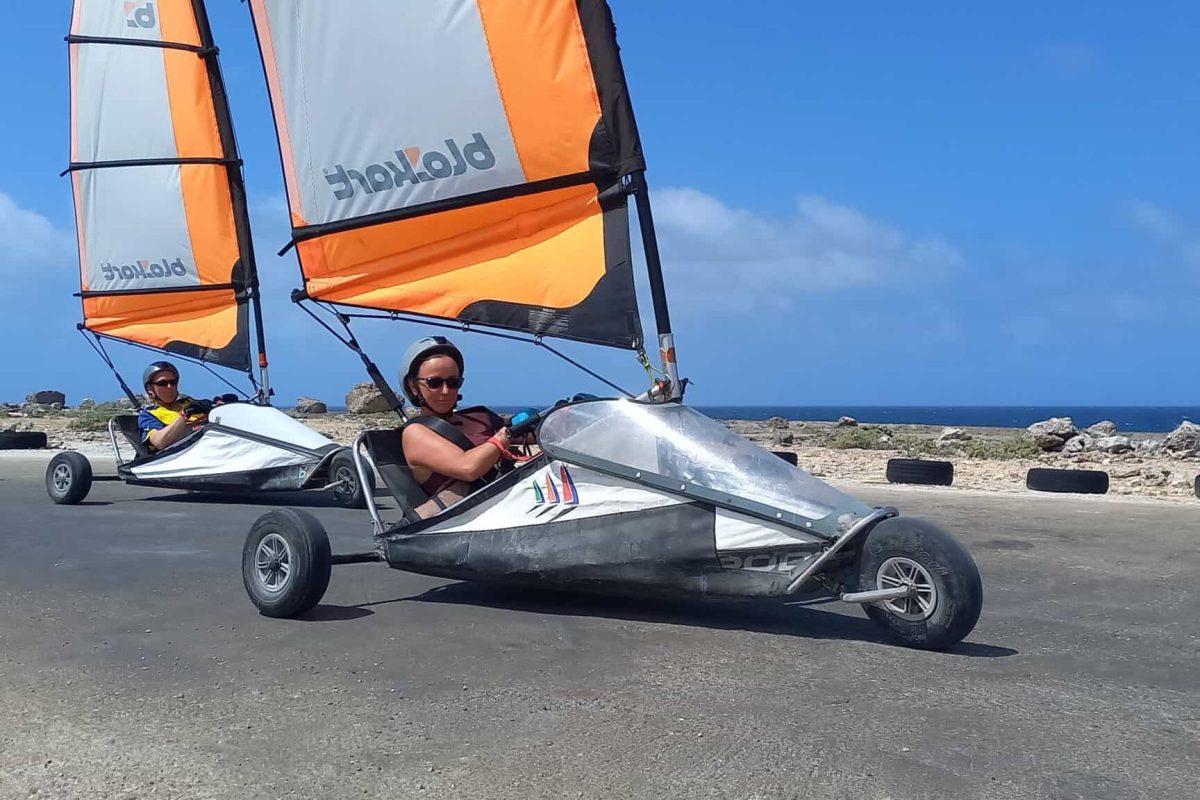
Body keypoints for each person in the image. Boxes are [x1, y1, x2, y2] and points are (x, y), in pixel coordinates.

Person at [399, 336, 522, 519]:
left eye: (453, 382)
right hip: (472, 518)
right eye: (435, 383)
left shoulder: (480, 417)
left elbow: (532, 435)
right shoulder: (416, 432)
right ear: (413, 386)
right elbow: (468, 467)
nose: (446, 391)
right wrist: (503, 437)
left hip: (516, 499)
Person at [137, 361, 212, 452]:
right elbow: (159, 442)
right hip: (183, 456)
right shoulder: (149, 415)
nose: (169, 386)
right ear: (150, 389)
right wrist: (184, 416)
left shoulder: (190, 402)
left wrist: (218, 405)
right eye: (163, 383)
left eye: (173, 382)